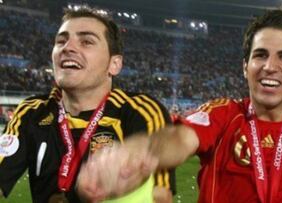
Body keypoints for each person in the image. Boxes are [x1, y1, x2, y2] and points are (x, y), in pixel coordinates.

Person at [76, 7, 282, 203]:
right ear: (245, 66)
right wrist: (140, 153)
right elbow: (180, 137)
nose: (270, 67)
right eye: (260, 55)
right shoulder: (224, 114)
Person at [0, 7, 175, 203]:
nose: (68, 47)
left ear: (114, 64)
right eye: (61, 41)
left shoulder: (141, 111)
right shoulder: (31, 111)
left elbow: (160, 196)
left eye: (86, 42)